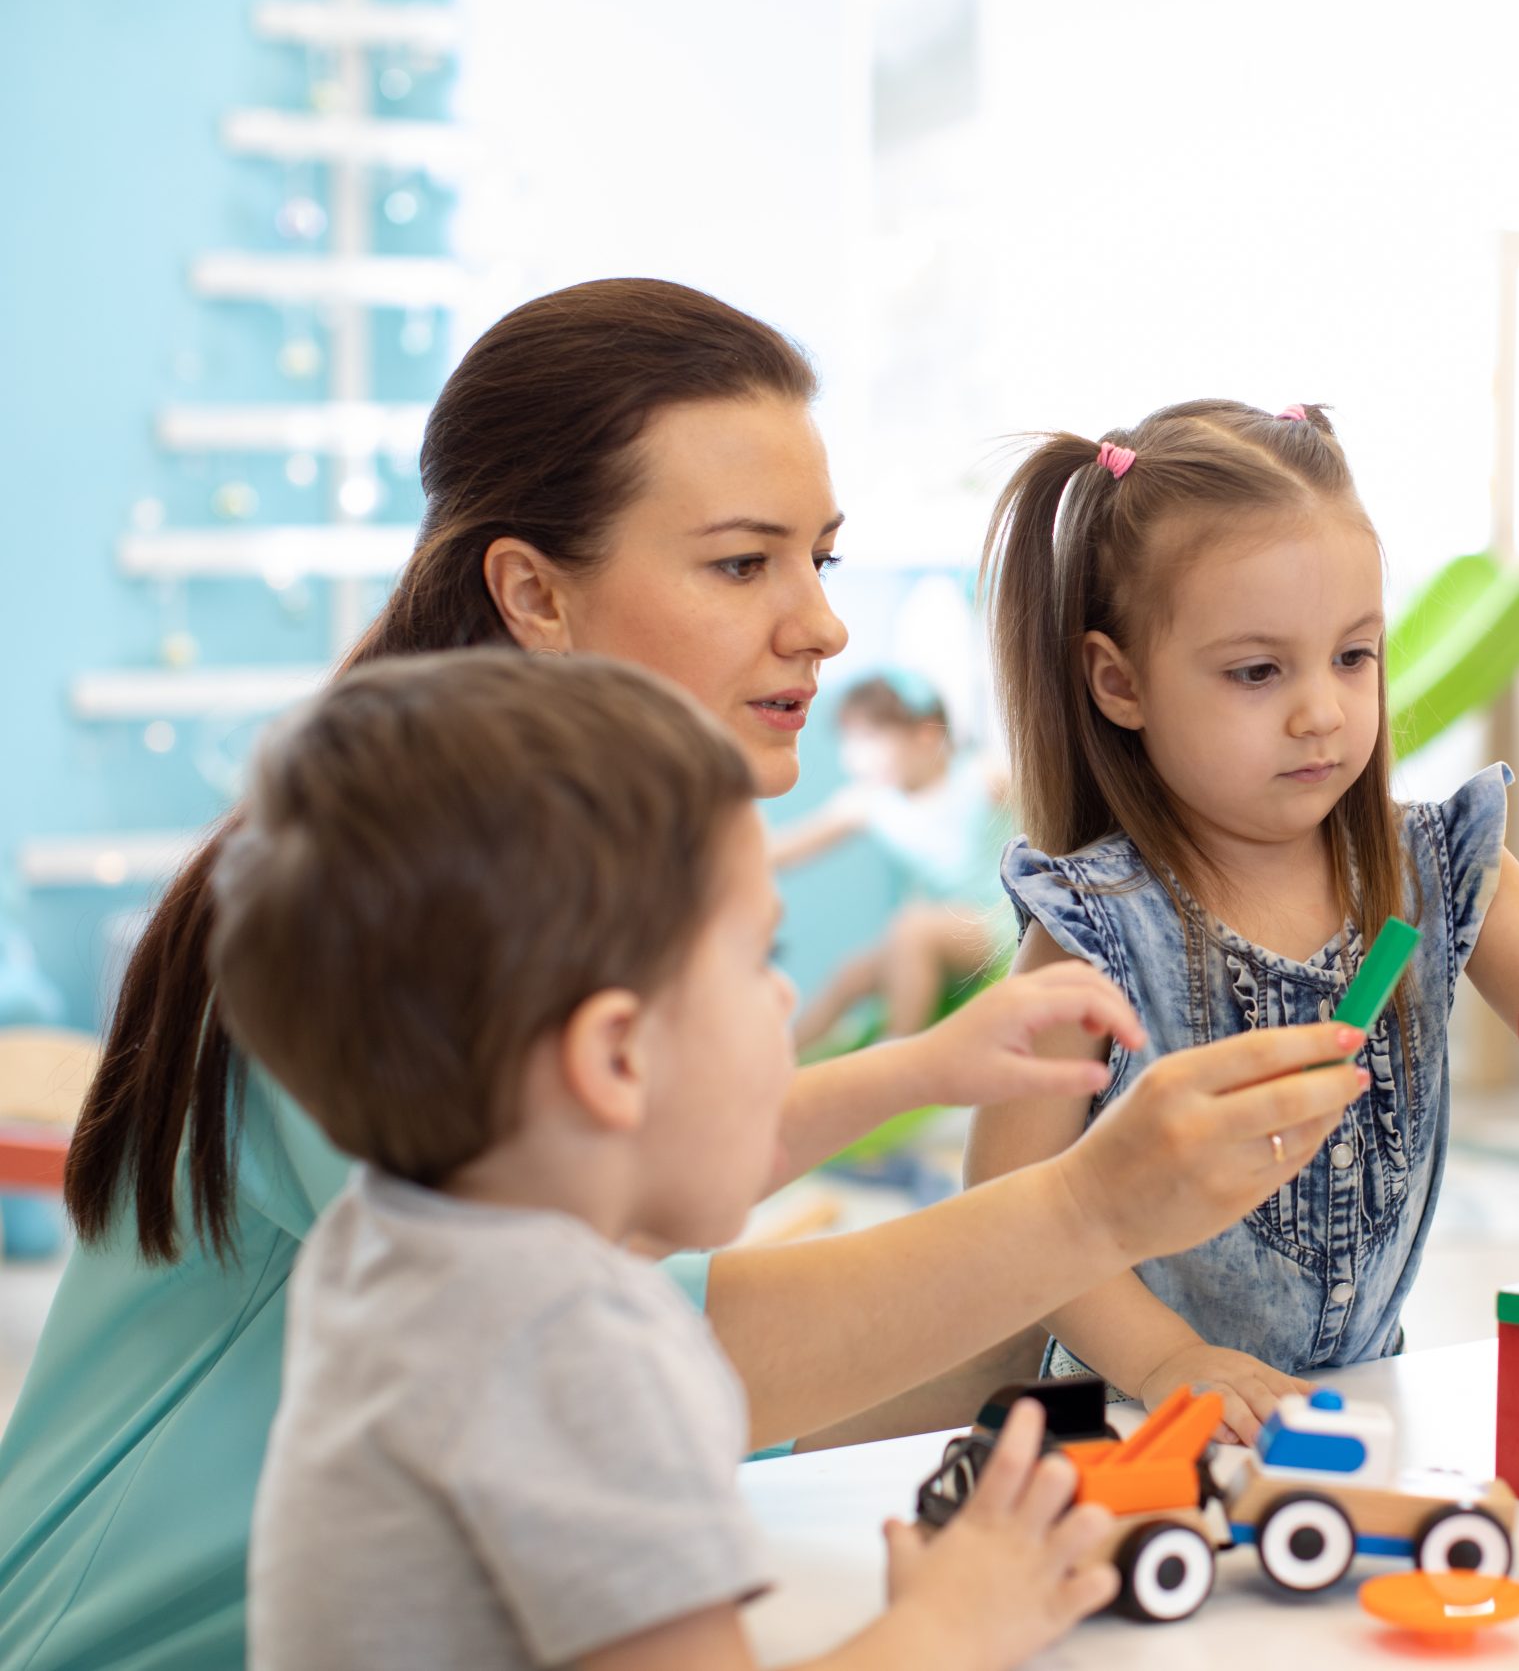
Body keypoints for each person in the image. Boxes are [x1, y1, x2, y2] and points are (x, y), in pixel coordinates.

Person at [0, 282, 1365, 1669]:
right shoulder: (406, 918)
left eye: (821, 559)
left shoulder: (463, 865)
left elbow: (615, 1181)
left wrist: (923, 1074)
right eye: (740, 564)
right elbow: (647, 1348)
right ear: (534, 589)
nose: (822, 625)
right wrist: (1090, 1202)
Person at [224, 653, 1172, 1669]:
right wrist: (953, 1625)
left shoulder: (404, 1236)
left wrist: (926, 1067)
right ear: (618, 1057)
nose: (781, 1002)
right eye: (760, 960)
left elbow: (646, 1178)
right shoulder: (585, 1352)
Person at [965, 400, 1519, 1445]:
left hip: (1355, 1419)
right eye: (1257, 671)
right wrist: (1168, 1359)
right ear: (1119, 682)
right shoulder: (1091, 927)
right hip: (1123, 1424)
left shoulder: (1441, 870)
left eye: (1353, 657)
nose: (1320, 710)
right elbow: (1006, 1210)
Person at [770, 672, 1012, 1053]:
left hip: (999, 925)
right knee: (853, 974)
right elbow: (787, 849)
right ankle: (781, 1058)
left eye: (869, 739)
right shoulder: (872, 802)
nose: (854, 758)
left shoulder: (982, 778)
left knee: (911, 926)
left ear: (925, 735)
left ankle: (900, 1047)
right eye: (848, 741)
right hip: (939, 929)